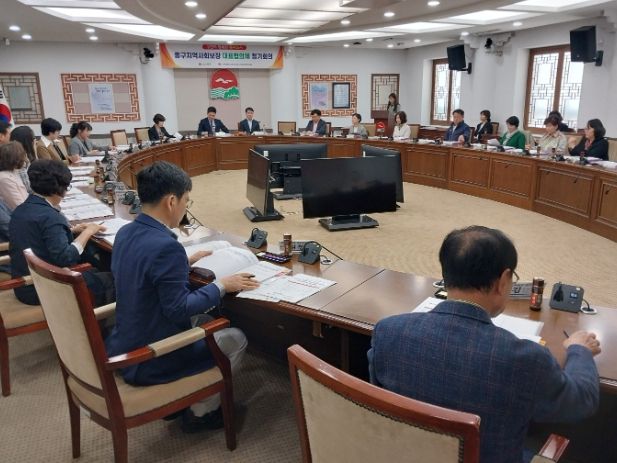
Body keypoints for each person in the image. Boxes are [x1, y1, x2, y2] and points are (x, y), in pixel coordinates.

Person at [369, 225, 600, 463]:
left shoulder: (388, 331)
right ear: (504, 281)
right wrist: (579, 349)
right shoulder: (526, 359)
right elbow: (581, 401)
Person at [105, 161, 259, 433]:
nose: (186, 207)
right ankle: (201, 412)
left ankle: (183, 402)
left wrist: (183, 263)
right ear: (171, 201)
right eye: (187, 200)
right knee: (235, 337)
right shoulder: (166, 246)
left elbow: (141, 275)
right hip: (150, 357)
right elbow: (178, 310)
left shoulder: (125, 232)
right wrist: (222, 285)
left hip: (123, 342)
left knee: (205, 320)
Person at [9, 159, 115, 306]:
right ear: (58, 188)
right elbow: (65, 258)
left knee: (97, 267)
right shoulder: (50, 216)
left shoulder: (21, 209)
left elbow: (38, 236)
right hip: (45, 288)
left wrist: (71, 230)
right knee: (114, 279)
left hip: (26, 285)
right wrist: (89, 231)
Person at [0, 142, 29, 210]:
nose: (25, 158)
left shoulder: (13, 172)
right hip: (22, 213)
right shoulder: (5, 179)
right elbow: (19, 205)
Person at [9, 125, 36, 192]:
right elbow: (28, 188)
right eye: (33, 138)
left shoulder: (24, 154)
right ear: (27, 141)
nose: (35, 141)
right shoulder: (18, 159)